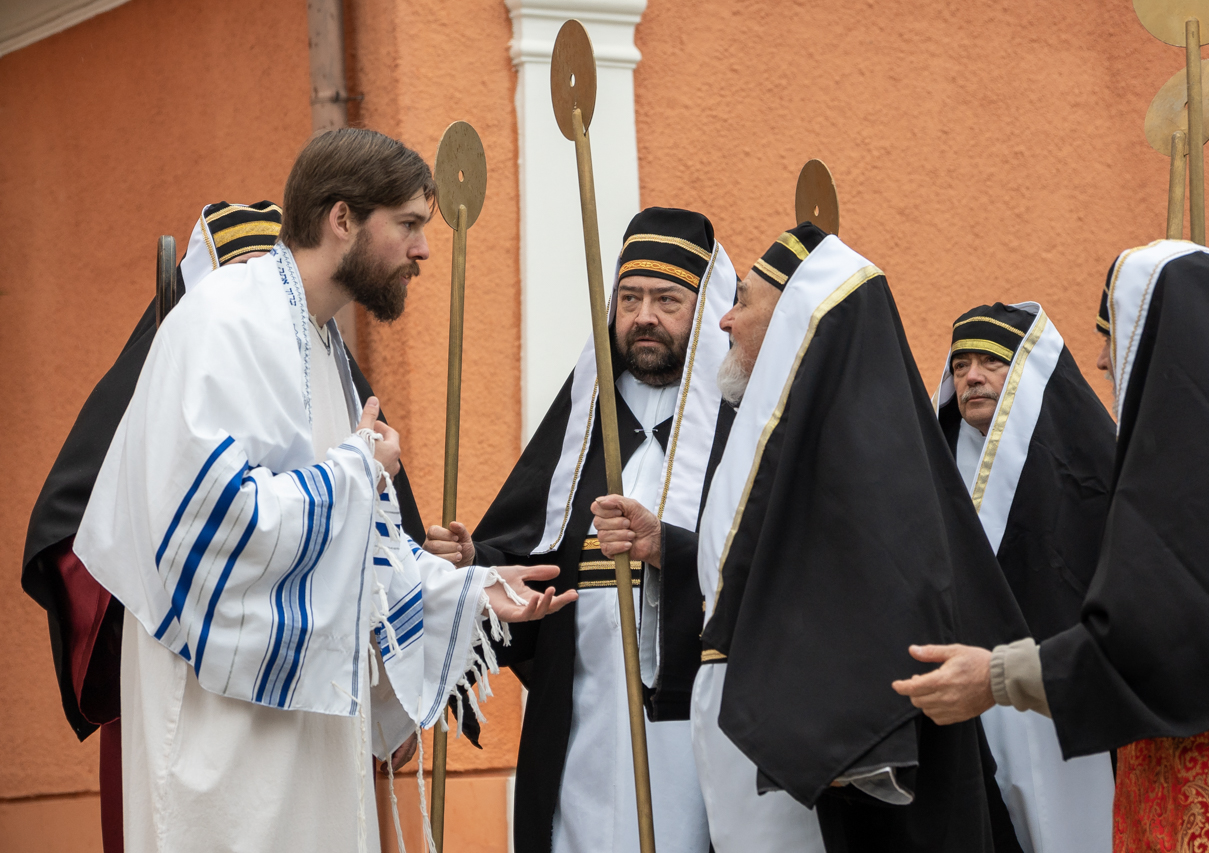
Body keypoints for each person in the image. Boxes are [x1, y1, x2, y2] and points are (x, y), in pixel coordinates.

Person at [71, 128, 575, 853]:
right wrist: (358, 468)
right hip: (225, 734)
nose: (422, 250)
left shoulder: (320, 339)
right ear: (342, 218)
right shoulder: (224, 321)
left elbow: (351, 550)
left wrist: (465, 592)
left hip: (304, 725)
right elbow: (214, 523)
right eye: (408, 225)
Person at [894, 239, 1209, 851]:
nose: (1100, 358)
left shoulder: (1195, 480)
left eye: (1114, 336)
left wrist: (996, 676)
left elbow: (1151, 640)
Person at [702, 222, 1027, 852]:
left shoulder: (857, 447)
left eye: (742, 301)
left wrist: (845, 743)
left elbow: (888, 591)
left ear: (792, 319)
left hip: (829, 764)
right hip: (758, 743)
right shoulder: (774, 429)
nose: (725, 320)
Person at [425, 208, 735, 853]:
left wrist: (669, 551)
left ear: (705, 311)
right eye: (630, 298)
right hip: (581, 726)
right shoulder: (582, 424)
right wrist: (474, 563)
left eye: (667, 300)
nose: (644, 316)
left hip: (699, 728)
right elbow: (532, 558)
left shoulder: (740, 428)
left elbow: (770, 573)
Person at [20, 200, 293, 853]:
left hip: (290, 693)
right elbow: (73, 534)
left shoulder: (313, 374)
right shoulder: (156, 377)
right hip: (179, 685)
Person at [934, 303, 1116, 852]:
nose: (971, 377)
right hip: (972, 702)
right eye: (960, 365)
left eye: (990, 362)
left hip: (1056, 698)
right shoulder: (936, 474)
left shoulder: (1090, 467)